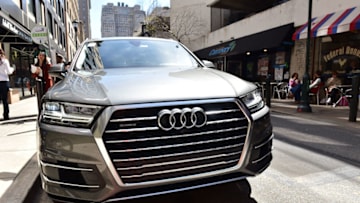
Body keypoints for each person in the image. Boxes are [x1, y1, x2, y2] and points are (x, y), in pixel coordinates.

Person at [0, 48, 15, 120]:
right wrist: (13, 69)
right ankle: (6, 115)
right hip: (4, 81)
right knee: (4, 100)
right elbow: (9, 71)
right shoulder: (5, 61)